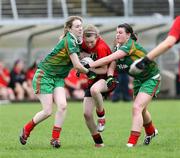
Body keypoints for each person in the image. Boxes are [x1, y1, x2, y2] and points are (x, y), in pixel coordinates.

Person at [19, 16, 91, 148]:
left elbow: (79, 59)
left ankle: (55, 139)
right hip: (44, 75)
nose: (80, 28)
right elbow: (76, 64)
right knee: (47, 111)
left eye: (81, 25)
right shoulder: (69, 40)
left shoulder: (76, 40)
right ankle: (26, 129)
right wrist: (90, 71)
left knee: (63, 106)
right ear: (69, 29)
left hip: (58, 77)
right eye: (77, 26)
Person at [84, 23, 161, 147]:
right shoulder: (118, 46)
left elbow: (108, 59)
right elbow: (113, 64)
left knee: (136, 108)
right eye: (116, 32)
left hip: (151, 78)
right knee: (142, 109)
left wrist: (89, 65)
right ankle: (151, 132)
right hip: (138, 80)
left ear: (128, 35)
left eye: (120, 32)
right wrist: (109, 77)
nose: (117, 34)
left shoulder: (129, 46)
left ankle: (131, 143)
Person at [81, 24, 115, 147]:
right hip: (93, 79)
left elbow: (104, 70)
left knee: (95, 90)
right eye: (87, 42)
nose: (89, 45)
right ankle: (98, 142)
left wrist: (87, 68)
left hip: (107, 78)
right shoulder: (85, 42)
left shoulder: (101, 47)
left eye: (91, 42)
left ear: (98, 37)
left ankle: (101, 116)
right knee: (87, 114)